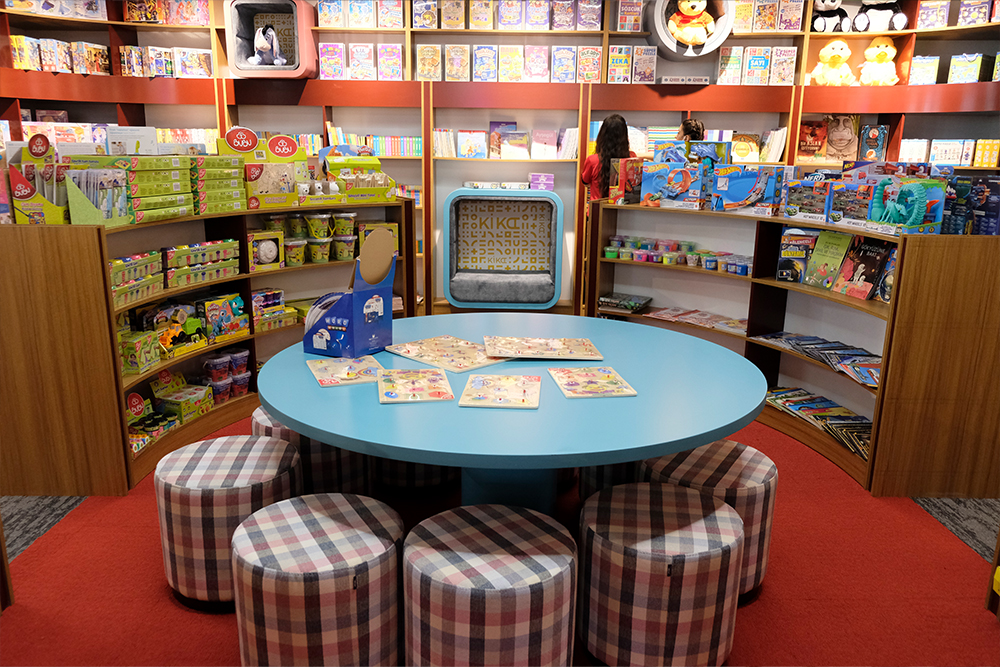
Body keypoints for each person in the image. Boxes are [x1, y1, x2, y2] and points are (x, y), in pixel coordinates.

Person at [581, 114, 634, 201]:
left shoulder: (592, 160)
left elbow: (585, 182)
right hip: (622, 207)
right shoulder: (631, 158)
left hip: (597, 208)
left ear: (602, 135)